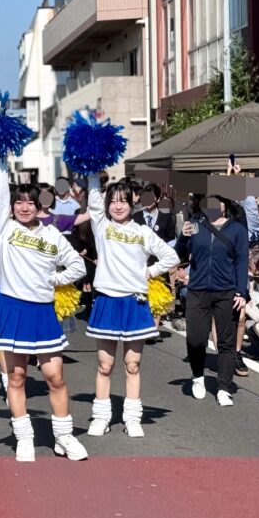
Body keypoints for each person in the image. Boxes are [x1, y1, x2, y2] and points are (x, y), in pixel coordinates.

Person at [0, 162, 87, 461]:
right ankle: (24, 437)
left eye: (30, 202)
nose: (24, 207)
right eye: (19, 202)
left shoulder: (53, 235)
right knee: (16, 377)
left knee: (54, 376)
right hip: (12, 311)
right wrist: (0, 161)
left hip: (43, 313)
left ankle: (64, 437)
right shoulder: (4, 228)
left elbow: (78, 266)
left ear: (39, 205)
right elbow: (0, 197)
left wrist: (52, 279)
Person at [83, 177, 178, 437]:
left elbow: (172, 256)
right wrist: (92, 171)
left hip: (135, 302)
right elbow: (93, 203)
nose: (117, 206)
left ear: (132, 202)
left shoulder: (143, 232)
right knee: (105, 365)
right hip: (107, 302)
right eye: (112, 201)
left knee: (132, 364)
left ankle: (132, 418)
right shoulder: (101, 225)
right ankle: (101, 417)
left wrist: (148, 273)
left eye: (123, 201)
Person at [177, 195, 249, 406]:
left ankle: (224, 387)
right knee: (195, 338)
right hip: (198, 290)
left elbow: (242, 261)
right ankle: (198, 376)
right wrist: (182, 237)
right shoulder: (196, 226)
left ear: (225, 205)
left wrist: (241, 292)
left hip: (227, 291)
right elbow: (178, 253)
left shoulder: (237, 230)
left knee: (226, 342)